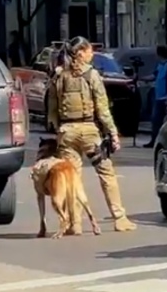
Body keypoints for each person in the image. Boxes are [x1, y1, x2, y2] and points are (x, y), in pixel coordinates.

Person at [46, 36, 137, 233]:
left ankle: (75, 223)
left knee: (72, 179)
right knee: (106, 173)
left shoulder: (58, 75)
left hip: (67, 133)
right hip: (89, 133)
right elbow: (102, 108)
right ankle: (119, 218)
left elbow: (51, 111)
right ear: (80, 53)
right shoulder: (92, 75)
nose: (92, 54)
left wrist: (57, 130)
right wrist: (113, 132)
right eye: (88, 50)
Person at [142, 45, 167, 149]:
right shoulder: (160, 65)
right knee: (155, 121)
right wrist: (140, 78)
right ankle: (154, 141)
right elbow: (154, 76)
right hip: (158, 98)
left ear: (158, 54)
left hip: (166, 98)